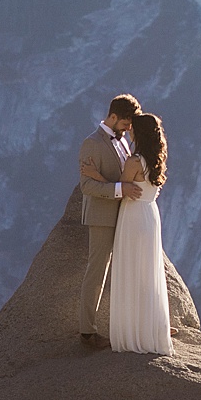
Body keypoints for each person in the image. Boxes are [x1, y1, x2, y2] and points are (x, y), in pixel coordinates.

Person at [76, 95, 145, 347]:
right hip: (102, 217)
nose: (128, 129)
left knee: (132, 269)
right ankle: (87, 331)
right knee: (97, 272)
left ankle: (141, 323)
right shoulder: (91, 143)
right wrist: (120, 189)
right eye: (126, 124)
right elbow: (87, 185)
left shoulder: (123, 141)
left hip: (126, 215)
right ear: (113, 117)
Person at [106, 110, 173, 355]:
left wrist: (93, 176)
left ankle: (131, 333)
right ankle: (150, 329)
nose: (129, 130)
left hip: (132, 216)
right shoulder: (156, 160)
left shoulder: (134, 162)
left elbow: (122, 186)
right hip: (150, 215)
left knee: (130, 271)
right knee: (147, 273)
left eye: (133, 127)